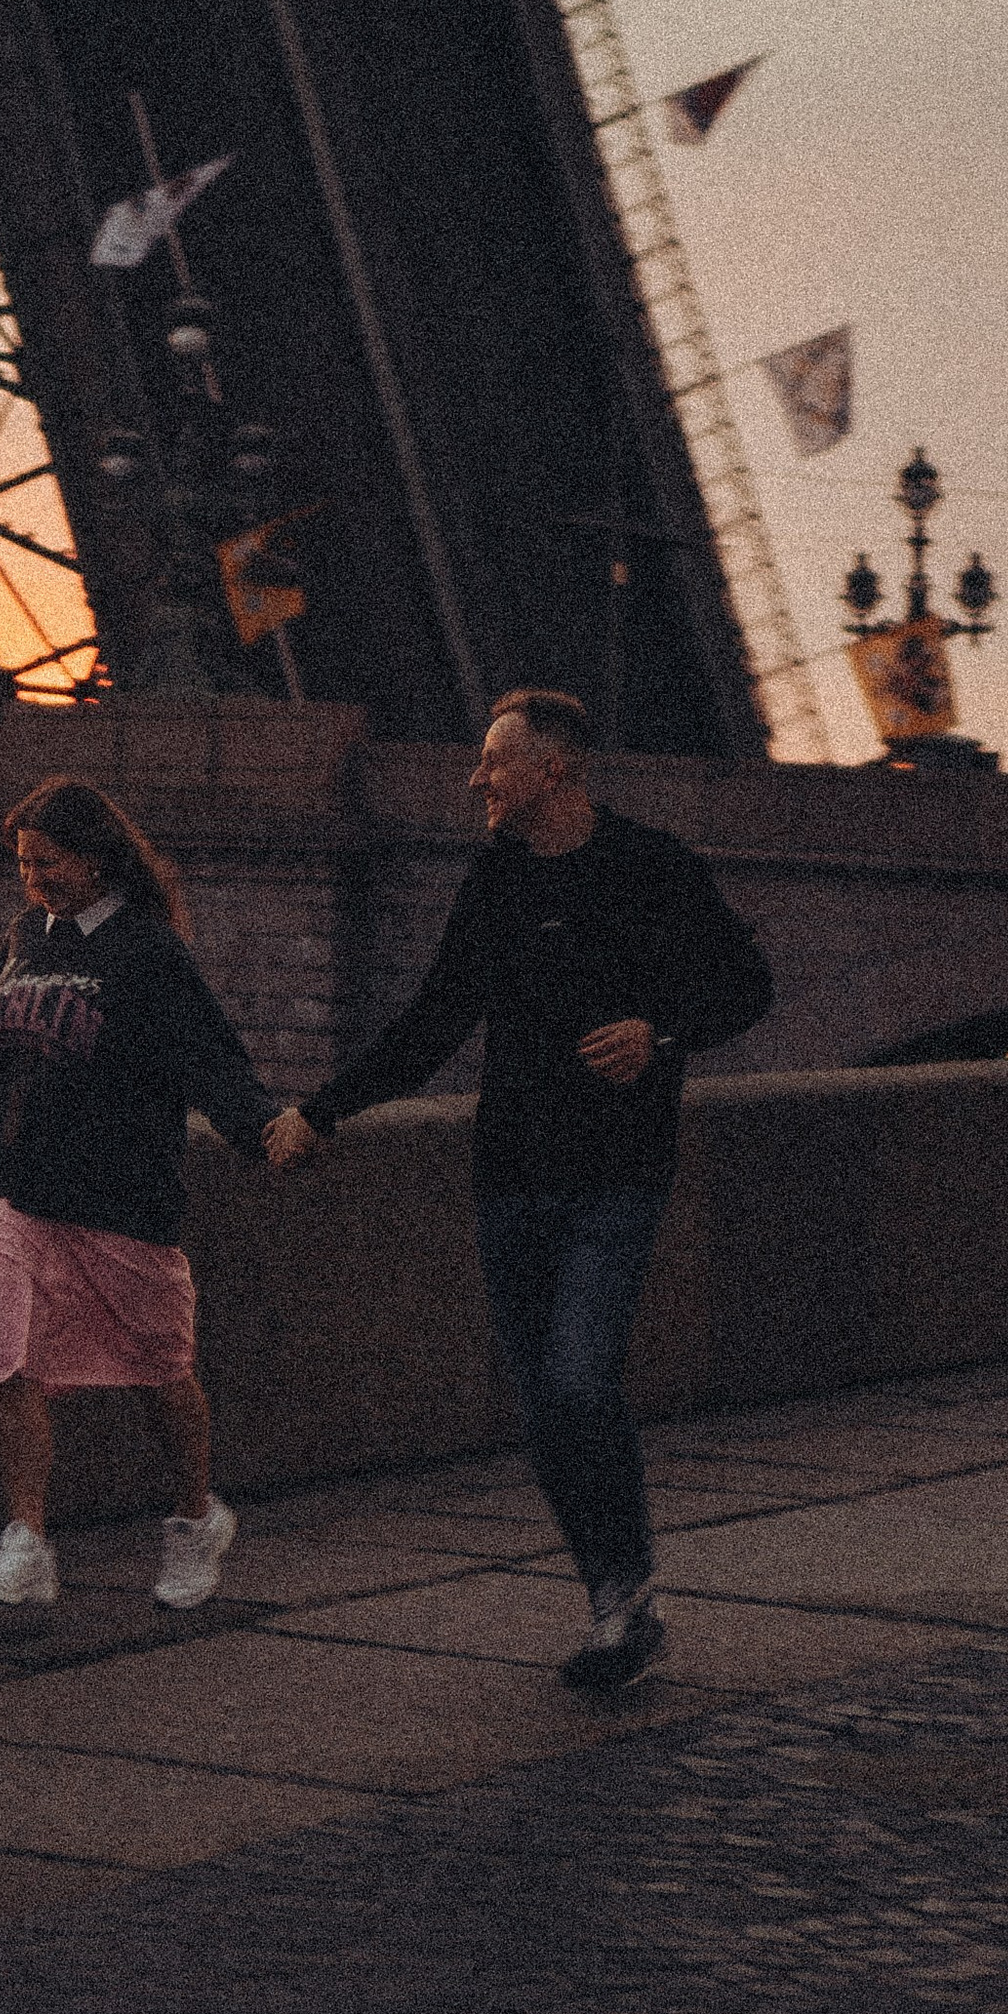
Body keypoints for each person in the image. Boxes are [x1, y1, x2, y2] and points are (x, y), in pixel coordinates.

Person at [266, 687, 772, 1693]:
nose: (475, 777)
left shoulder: (651, 867)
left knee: (582, 1380)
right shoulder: (493, 880)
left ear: (553, 771)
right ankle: (615, 1604)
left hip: (615, 1177)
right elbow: (434, 1020)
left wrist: (658, 1031)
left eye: (494, 761)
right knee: (546, 1406)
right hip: (511, 1177)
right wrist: (322, 1110)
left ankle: (625, 1591)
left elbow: (745, 984)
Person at [0, 775, 281, 1612]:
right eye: (23, 863)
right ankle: (26, 1545)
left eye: (47, 861)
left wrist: (268, 1131)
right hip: (23, 1193)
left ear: (96, 860)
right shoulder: (29, 936)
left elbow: (213, 1060)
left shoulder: (148, 951)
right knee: (8, 1363)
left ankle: (197, 1519)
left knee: (162, 1373)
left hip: (122, 1201)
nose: (34, 878)